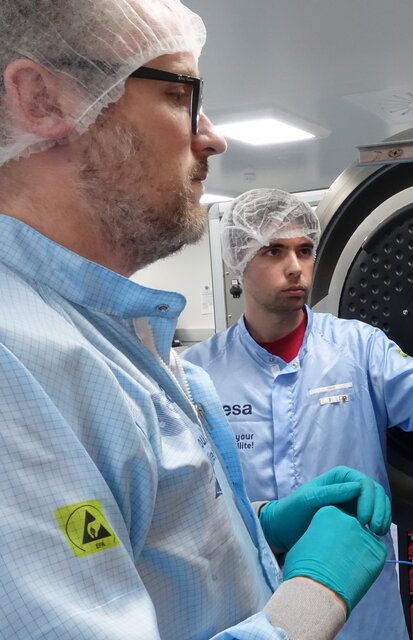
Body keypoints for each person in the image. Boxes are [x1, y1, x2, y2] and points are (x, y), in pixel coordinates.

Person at [0, 1, 389, 639]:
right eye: (184, 94)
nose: (212, 136)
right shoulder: (19, 366)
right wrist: (315, 596)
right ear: (43, 99)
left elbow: (145, 550)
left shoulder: (124, 338)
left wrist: (255, 526)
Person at [183, 187, 413, 640]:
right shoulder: (199, 374)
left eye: (304, 250)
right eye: (274, 251)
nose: (295, 267)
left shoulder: (356, 347)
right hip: (252, 589)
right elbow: (193, 503)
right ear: (238, 261)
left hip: (358, 594)